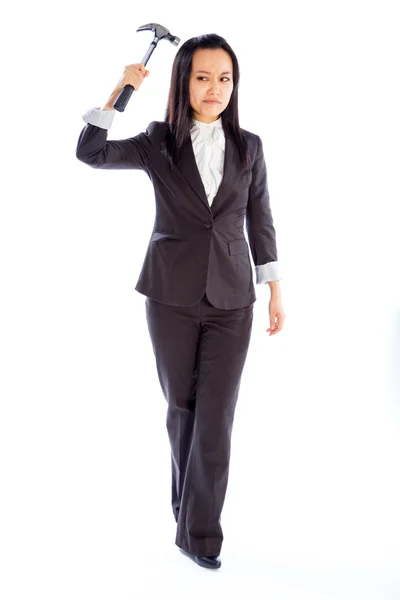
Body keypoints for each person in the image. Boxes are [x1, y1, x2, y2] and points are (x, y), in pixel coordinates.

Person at [76, 33, 286, 569]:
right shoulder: (157, 141)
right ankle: (185, 513)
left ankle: (201, 537)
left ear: (234, 85)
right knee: (183, 411)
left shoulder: (250, 146)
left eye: (224, 78)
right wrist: (119, 91)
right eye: (202, 77)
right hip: (169, 296)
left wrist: (275, 290)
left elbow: (259, 222)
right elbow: (91, 153)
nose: (214, 88)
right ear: (183, 82)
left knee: (216, 418)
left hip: (233, 300)